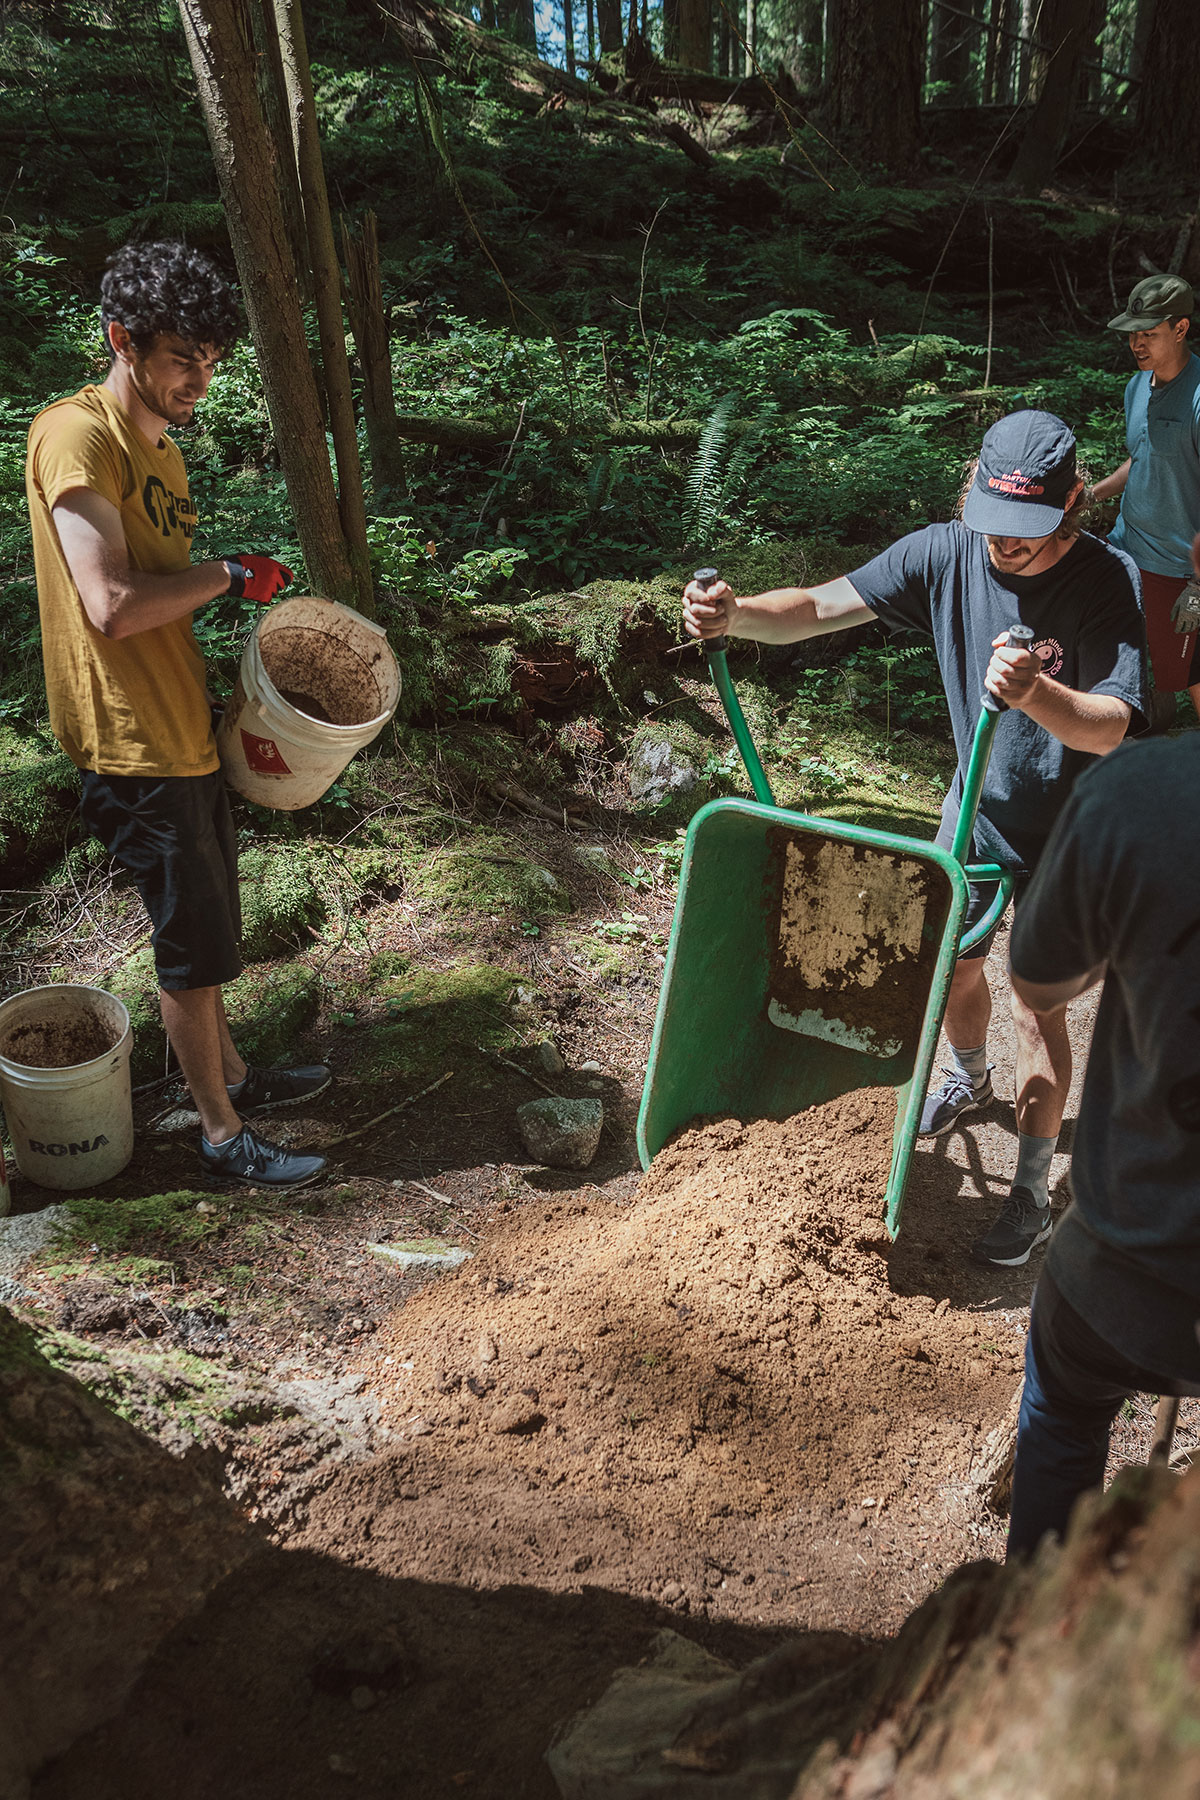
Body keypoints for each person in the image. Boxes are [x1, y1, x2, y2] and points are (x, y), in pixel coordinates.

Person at [682, 409, 1147, 1268]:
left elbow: (1114, 726)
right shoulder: (945, 550)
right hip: (977, 811)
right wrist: (737, 613)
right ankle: (967, 1080)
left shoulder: (1103, 580)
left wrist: (1036, 693)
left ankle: (1033, 1190)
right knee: (952, 965)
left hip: (1077, 833)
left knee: (1034, 1002)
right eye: (992, 527)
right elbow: (819, 606)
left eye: (1027, 533)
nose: (1005, 547)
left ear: (1074, 503)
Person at [25, 240, 330, 1189]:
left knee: (209, 925)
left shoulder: (161, 448)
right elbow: (111, 605)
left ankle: (237, 1073)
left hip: (178, 728)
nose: (200, 379)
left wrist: (222, 593)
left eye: (210, 360)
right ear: (122, 340)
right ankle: (218, 1129)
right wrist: (228, 575)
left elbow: (164, 592)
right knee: (189, 955)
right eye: (180, 360)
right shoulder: (78, 437)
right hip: (129, 738)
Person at [1005, 621, 1200, 1554]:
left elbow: (1040, 983)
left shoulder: (1138, 793)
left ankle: (1018, 1629)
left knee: (1063, 1414)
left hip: (1127, 1273)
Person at [1092, 272, 1200, 724]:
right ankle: (1136, 736)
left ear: (1181, 328)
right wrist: (1090, 496)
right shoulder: (1136, 387)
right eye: (1133, 335)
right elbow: (1141, 458)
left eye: (1149, 334)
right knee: (1104, 643)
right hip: (1126, 546)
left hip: (1178, 568)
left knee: (1188, 676)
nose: (1138, 344)